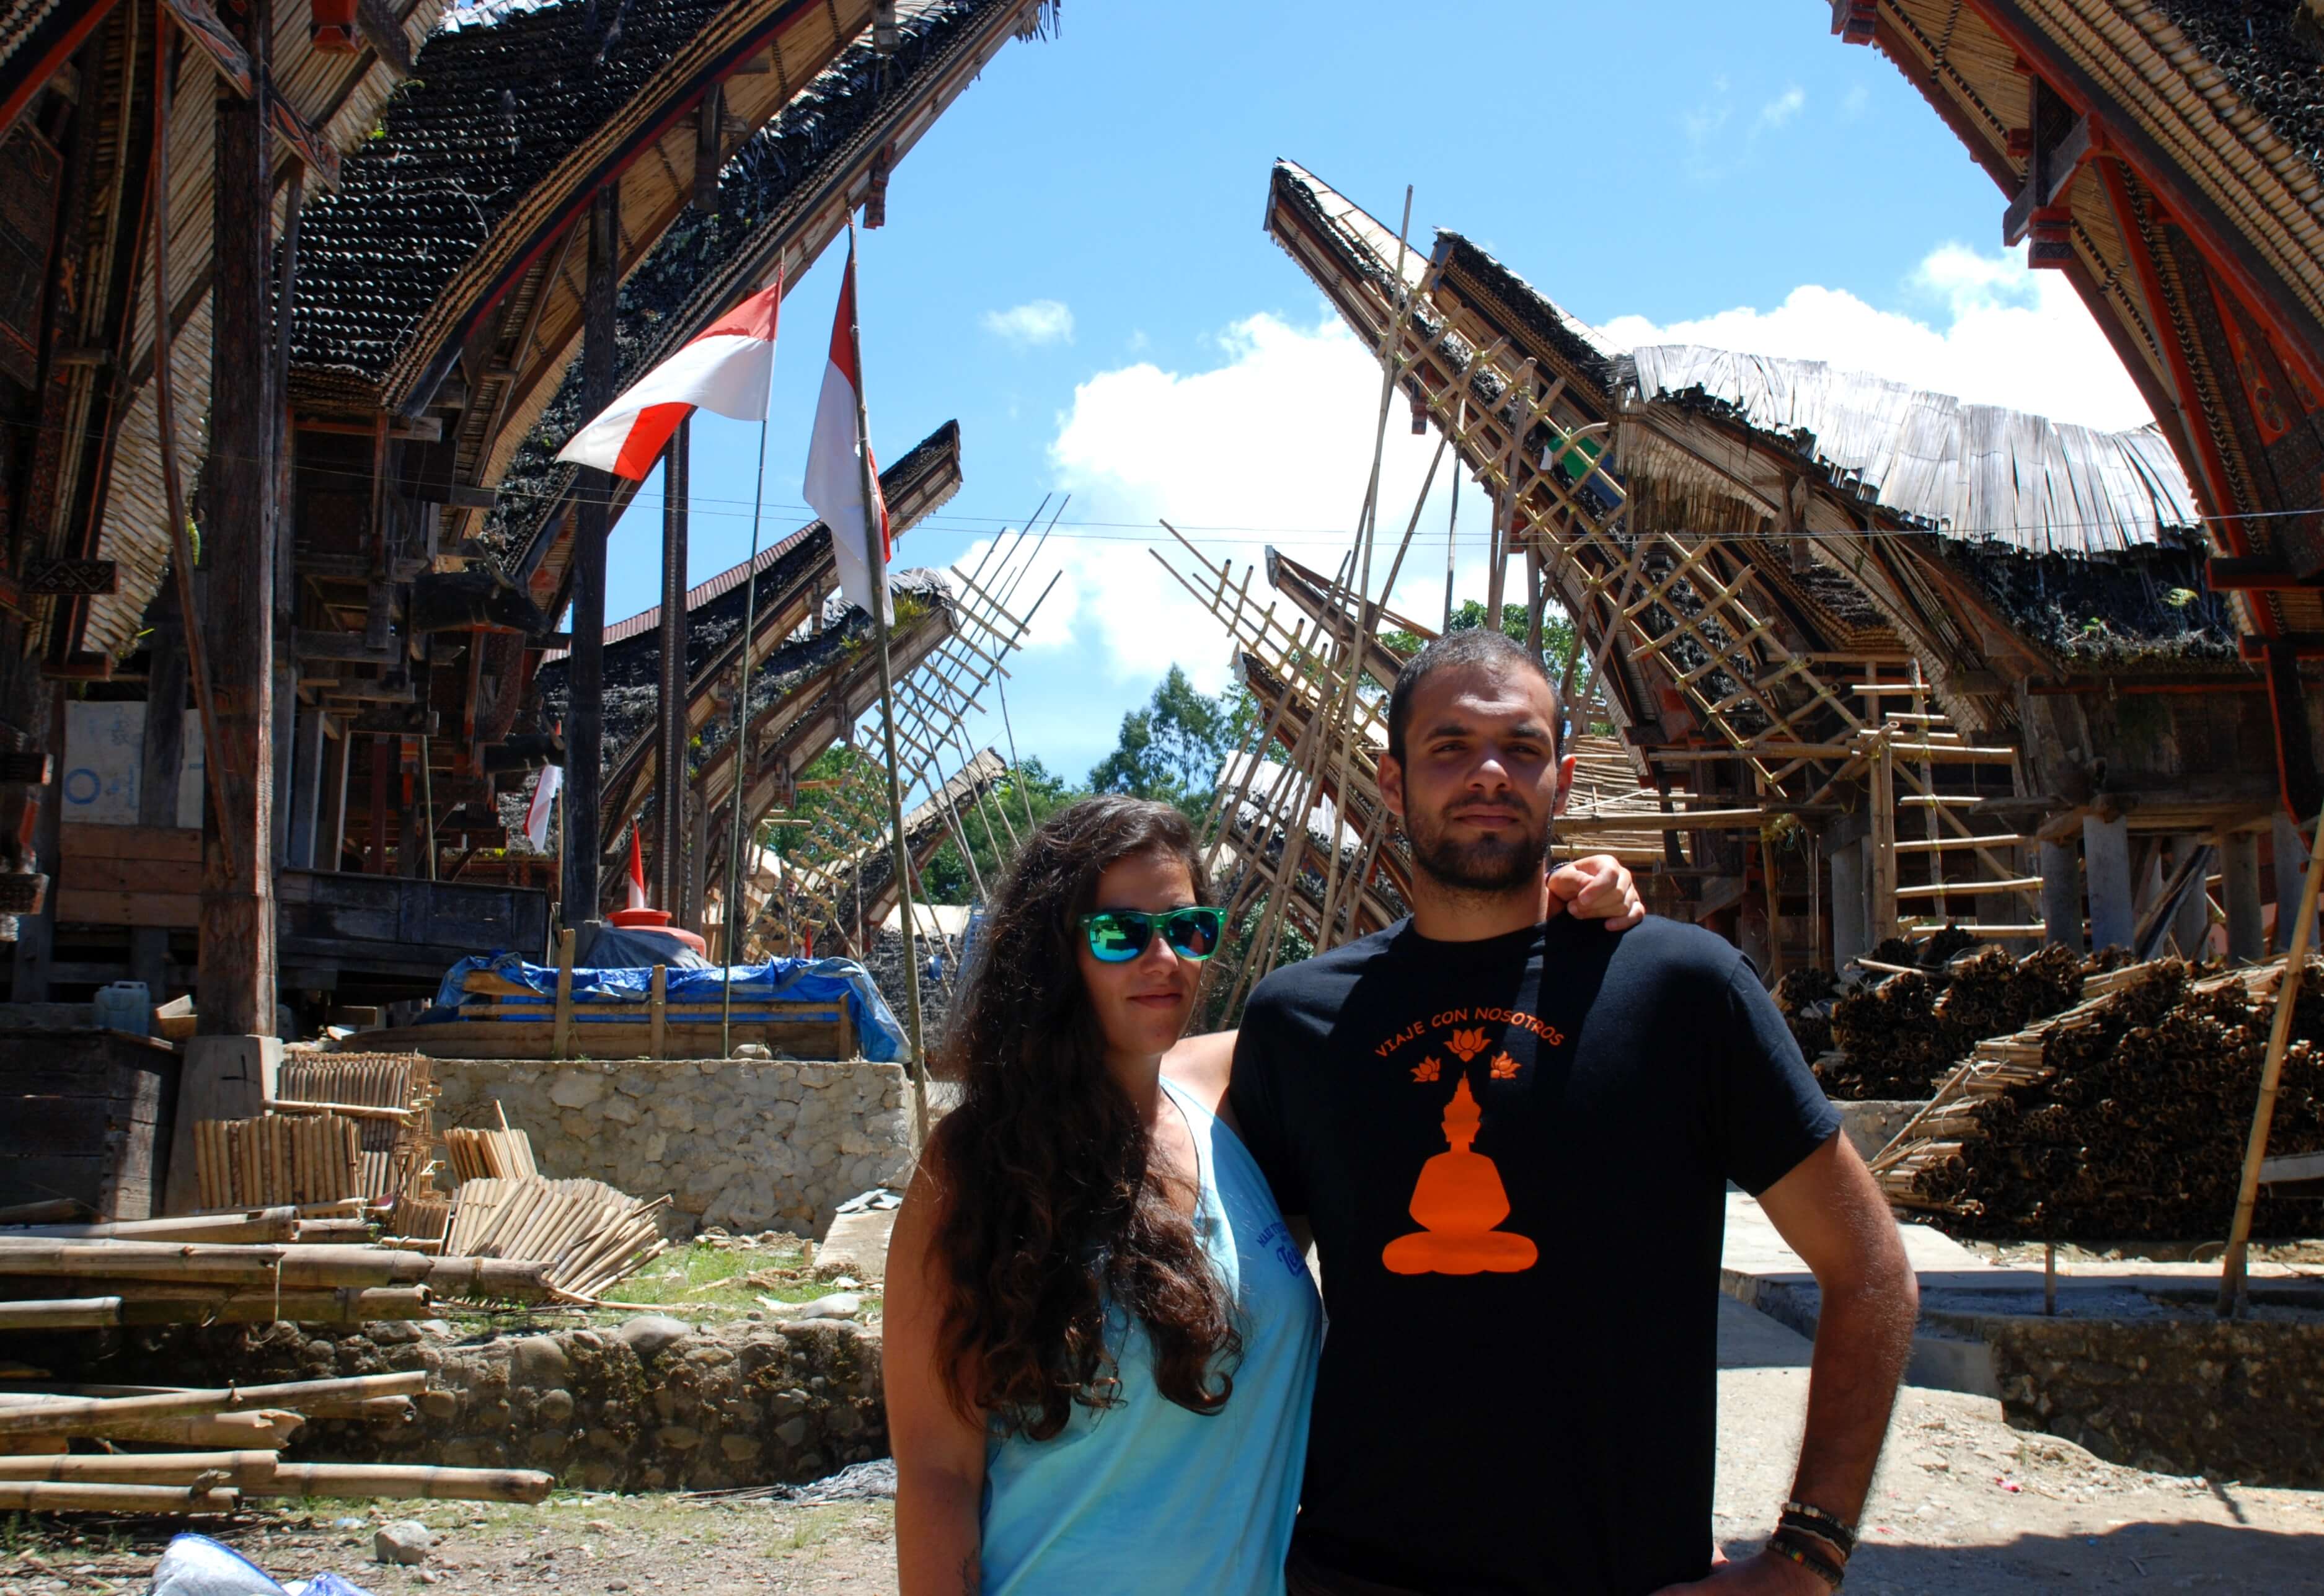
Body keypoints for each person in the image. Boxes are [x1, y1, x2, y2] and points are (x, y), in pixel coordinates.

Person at [1226, 628, 1920, 1596]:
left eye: (1520, 747)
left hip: (1621, 1575)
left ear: (1562, 776)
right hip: (1351, 1573)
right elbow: (1251, 1303)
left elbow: (1870, 1270)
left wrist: (1807, 1556)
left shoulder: (1681, 990)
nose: (1488, 773)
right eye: (1449, 747)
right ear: (1390, 781)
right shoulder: (1299, 1020)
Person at [885, 793, 1645, 1595]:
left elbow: (1404, 1004)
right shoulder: (978, 1163)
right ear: (1052, 952)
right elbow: (937, 1474)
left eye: (1189, 929)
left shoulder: (1232, 1101)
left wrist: (1551, 910)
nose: (1164, 958)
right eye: (1120, 933)